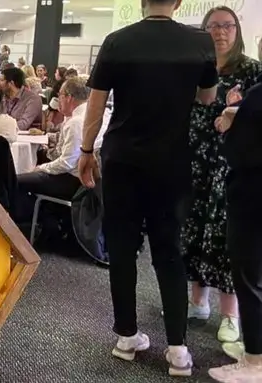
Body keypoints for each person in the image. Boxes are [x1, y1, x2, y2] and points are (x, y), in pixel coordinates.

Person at [77, 0, 218, 377]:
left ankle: (126, 336)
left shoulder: (117, 41)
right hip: (171, 161)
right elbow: (207, 98)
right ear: (179, 3)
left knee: (122, 249)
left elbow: (95, 107)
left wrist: (86, 152)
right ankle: (178, 351)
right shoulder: (200, 42)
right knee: (169, 252)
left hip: (122, 159)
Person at [181, 5, 262, 345]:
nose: (220, 32)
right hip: (194, 161)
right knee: (193, 229)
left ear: (237, 30)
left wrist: (235, 114)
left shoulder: (253, 70)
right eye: (213, 26)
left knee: (228, 239)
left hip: (233, 165)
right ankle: (198, 301)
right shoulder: (195, 67)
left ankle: (231, 315)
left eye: (227, 26)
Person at [207, 72, 262, 383]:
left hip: (252, 195)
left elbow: (236, 150)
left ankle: (255, 360)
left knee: (248, 274)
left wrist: (231, 120)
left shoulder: (256, 94)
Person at [18, 77, 106, 200]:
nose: (58, 100)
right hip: (92, 180)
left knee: (18, 180)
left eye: (60, 95)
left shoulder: (76, 122)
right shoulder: (97, 114)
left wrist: (40, 168)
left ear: (69, 98)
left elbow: (66, 163)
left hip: (73, 180)